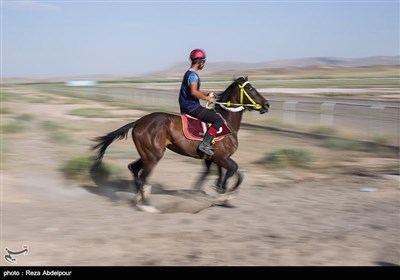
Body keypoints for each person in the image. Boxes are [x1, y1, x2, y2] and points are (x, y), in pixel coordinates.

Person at [179, 48, 224, 156]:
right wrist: (208, 99)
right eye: (203, 61)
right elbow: (194, 92)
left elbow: (194, 92)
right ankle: (204, 144)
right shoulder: (193, 75)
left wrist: (205, 94)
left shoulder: (189, 73)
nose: (204, 64)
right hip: (191, 107)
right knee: (218, 120)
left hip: (187, 105)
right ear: (199, 61)